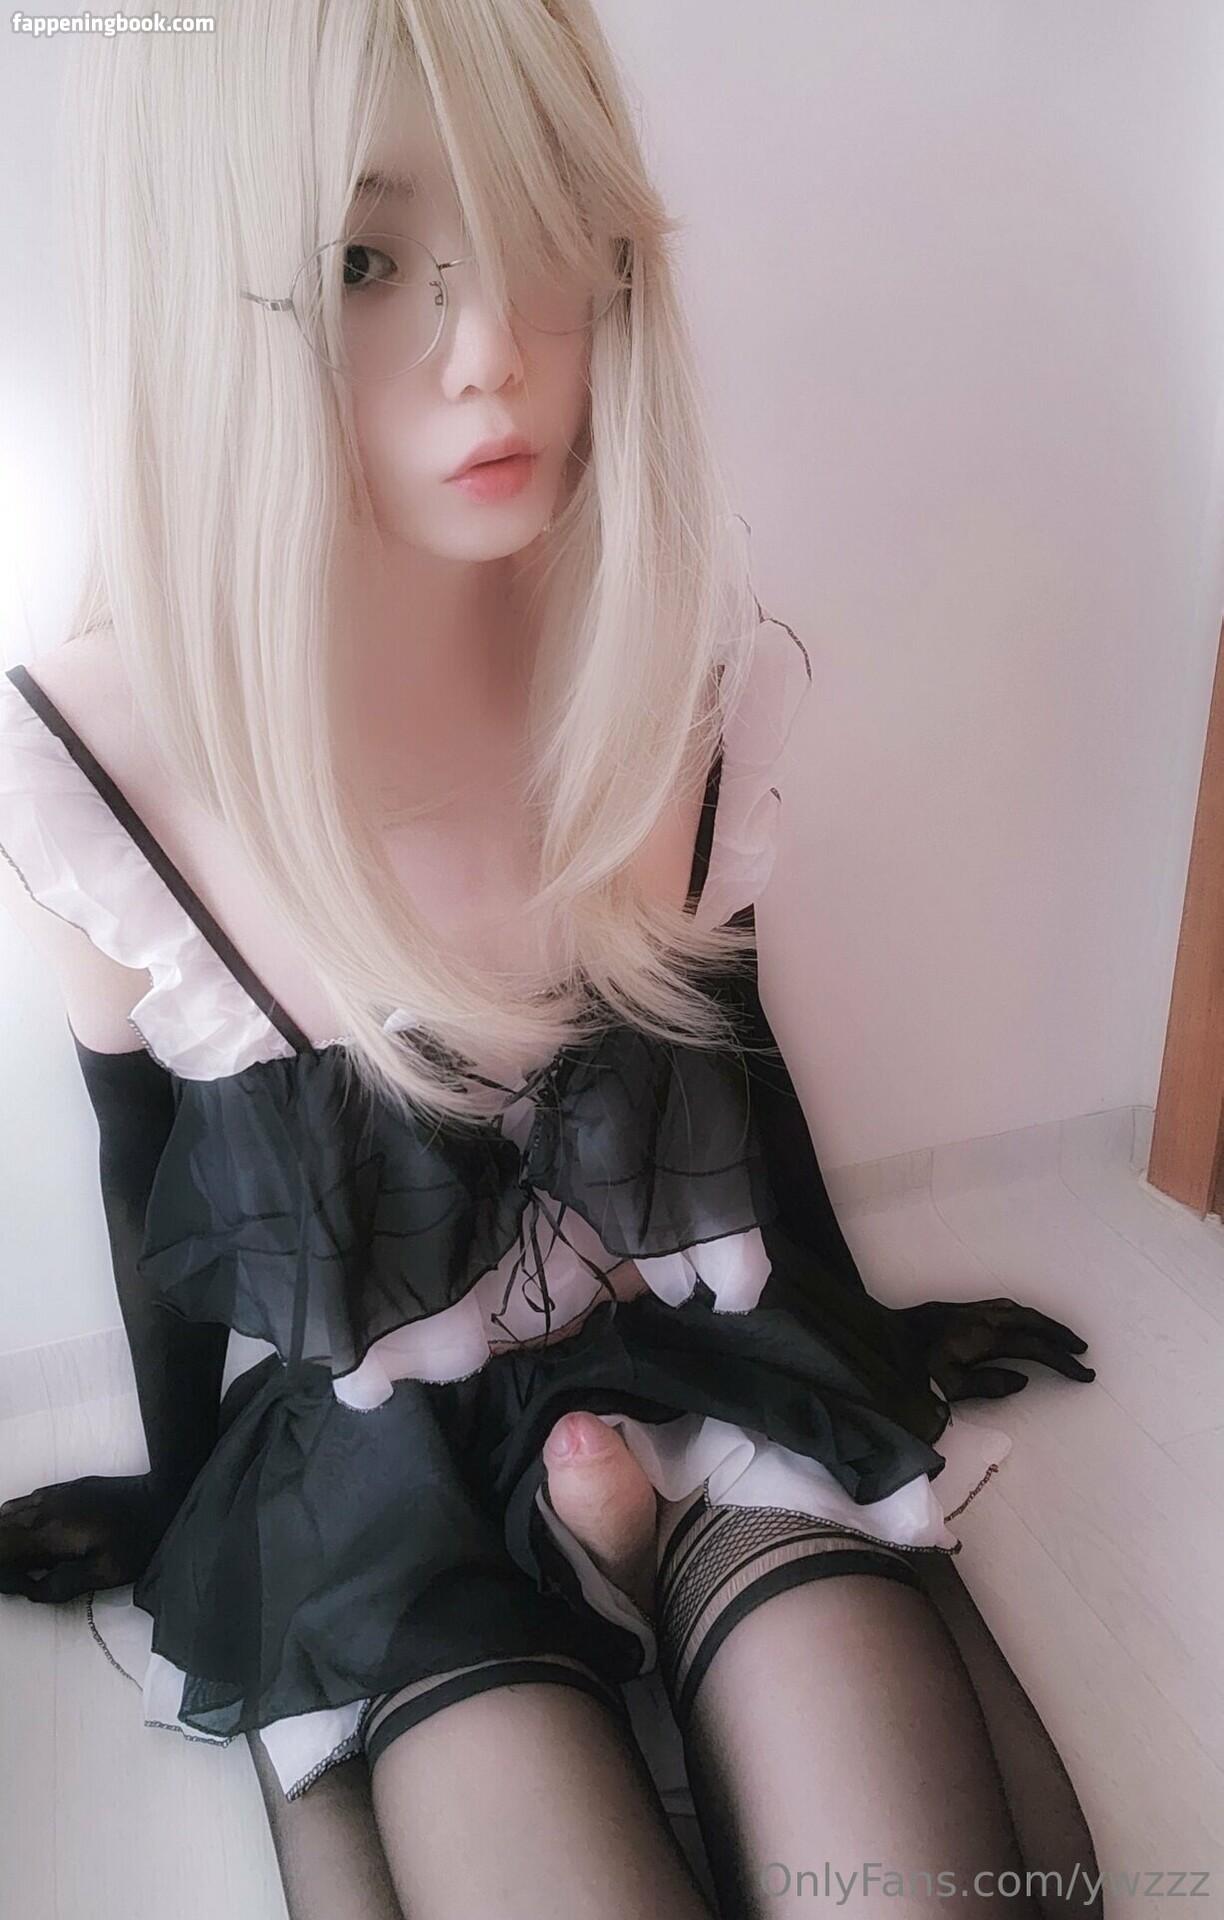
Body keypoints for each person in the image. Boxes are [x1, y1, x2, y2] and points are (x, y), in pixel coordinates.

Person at [0, 5, 1103, 1916]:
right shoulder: (100, 777)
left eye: (535, 225)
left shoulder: (673, 676)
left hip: (699, 1364)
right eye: (362, 262)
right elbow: (145, 1170)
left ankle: (666, 1552)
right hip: (382, 1470)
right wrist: (187, 1509)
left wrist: (859, 1336)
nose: (491, 352)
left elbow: (727, 1051)